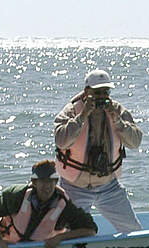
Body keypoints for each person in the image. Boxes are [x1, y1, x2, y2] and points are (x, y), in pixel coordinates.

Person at [54, 69, 143, 233]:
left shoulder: (117, 110)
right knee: (66, 233)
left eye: (105, 92)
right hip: (75, 186)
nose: (101, 96)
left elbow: (135, 142)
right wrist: (82, 116)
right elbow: (61, 141)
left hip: (108, 186)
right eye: (97, 92)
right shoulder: (71, 110)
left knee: (133, 230)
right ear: (86, 92)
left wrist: (118, 121)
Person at [0, 159, 97, 248]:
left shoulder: (63, 204)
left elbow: (90, 230)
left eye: (51, 181)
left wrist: (59, 238)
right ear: (34, 182)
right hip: (5, 246)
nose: (47, 186)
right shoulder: (17, 195)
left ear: (56, 182)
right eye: (42, 181)